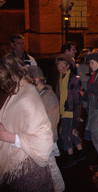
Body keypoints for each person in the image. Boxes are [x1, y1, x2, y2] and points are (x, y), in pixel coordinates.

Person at [0, 56, 54, 191]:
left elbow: (44, 143)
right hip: (22, 171)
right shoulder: (16, 90)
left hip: (28, 172)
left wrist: (8, 137)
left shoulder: (26, 97)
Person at [28, 66, 65, 192]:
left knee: (51, 167)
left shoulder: (48, 97)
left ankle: (60, 188)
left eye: (29, 80)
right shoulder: (38, 95)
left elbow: (52, 123)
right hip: (40, 138)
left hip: (46, 139)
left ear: (36, 80)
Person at [55, 54, 86, 168]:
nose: (59, 67)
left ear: (67, 66)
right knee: (71, 132)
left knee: (64, 133)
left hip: (70, 111)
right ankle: (81, 152)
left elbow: (76, 98)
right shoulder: (60, 77)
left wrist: (72, 111)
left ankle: (71, 157)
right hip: (63, 111)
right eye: (58, 65)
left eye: (61, 65)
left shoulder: (72, 78)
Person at [80, 52, 98, 162]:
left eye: (92, 62)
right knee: (96, 135)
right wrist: (85, 95)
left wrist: (92, 89)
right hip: (95, 108)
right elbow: (92, 92)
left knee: (97, 135)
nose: (90, 65)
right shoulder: (95, 74)